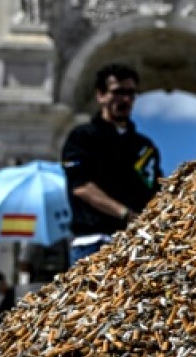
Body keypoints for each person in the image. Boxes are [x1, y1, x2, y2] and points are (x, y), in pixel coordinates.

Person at [62, 64, 161, 266]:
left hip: (136, 244)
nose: (125, 100)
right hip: (93, 242)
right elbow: (81, 187)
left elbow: (155, 188)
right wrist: (125, 214)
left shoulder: (144, 147)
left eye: (131, 93)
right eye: (117, 92)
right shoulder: (82, 137)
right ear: (101, 95)